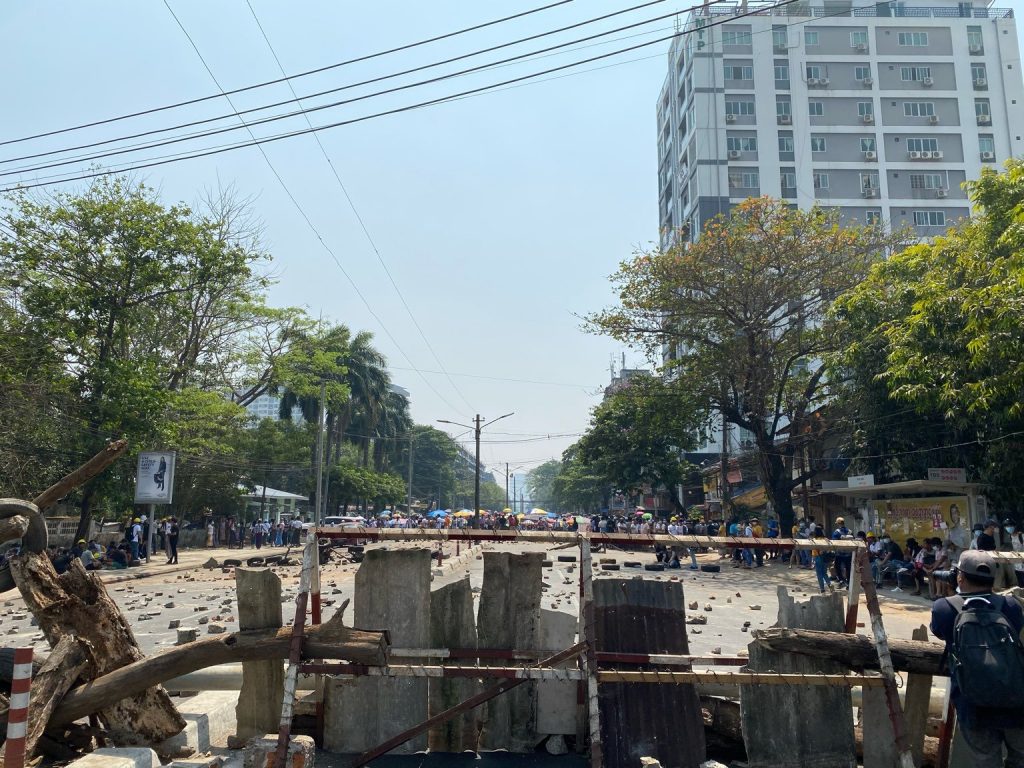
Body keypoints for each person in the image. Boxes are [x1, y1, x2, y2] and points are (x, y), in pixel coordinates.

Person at [930, 550, 1024, 766]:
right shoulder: (1010, 606)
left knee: (985, 760)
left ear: (960, 577)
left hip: (972, 702)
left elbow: (940, 631)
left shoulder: (944, 607)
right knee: (1020, 758)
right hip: (1015, 698)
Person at [831, 516, 852, 586]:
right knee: (848, 569)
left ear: (838, 524)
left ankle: (841, 580)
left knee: (837, 567)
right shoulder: (850, 531)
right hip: (849, 554)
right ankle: (849, 582)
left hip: (839, 554)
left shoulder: (836, 532)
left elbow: (834, 542)